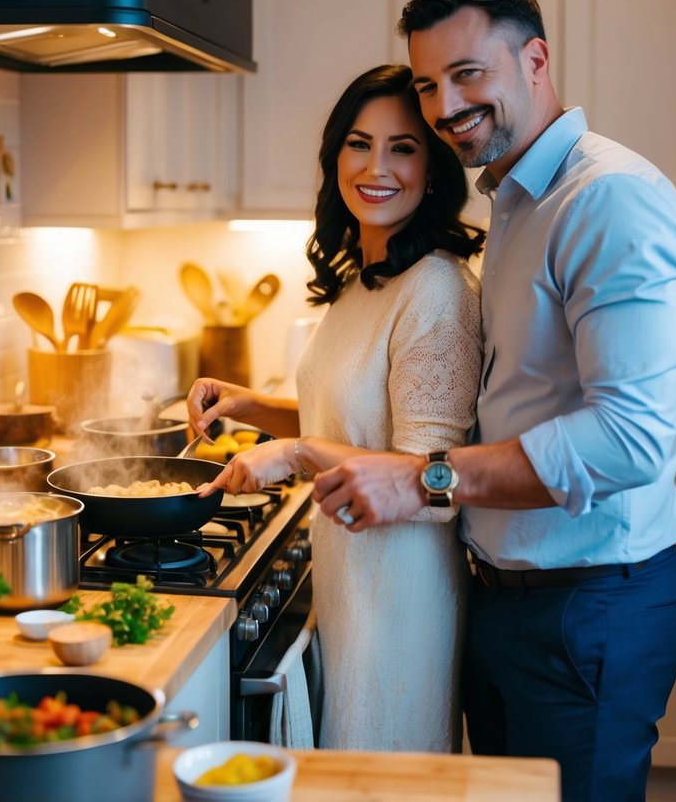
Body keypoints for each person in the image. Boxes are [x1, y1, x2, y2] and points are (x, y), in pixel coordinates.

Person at [313, 0, 676, 802]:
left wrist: (425, 476)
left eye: (466, 74)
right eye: (427, 84)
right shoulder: (519, 200)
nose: (444, 104)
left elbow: (631, 439)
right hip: (507, 600)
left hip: (588, 608)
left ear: (534, 59)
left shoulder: (608, 200)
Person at [187, 63, 484, 753]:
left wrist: (292, 454)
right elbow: (346, 419)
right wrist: (248, 407)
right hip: (353, 578)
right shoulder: (363, 274)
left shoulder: (436, 291)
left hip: (402, 592)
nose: (375, 166)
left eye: (402, 147)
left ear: (433, 168)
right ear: (335, 156)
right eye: (358, 143)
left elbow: (425, 479)